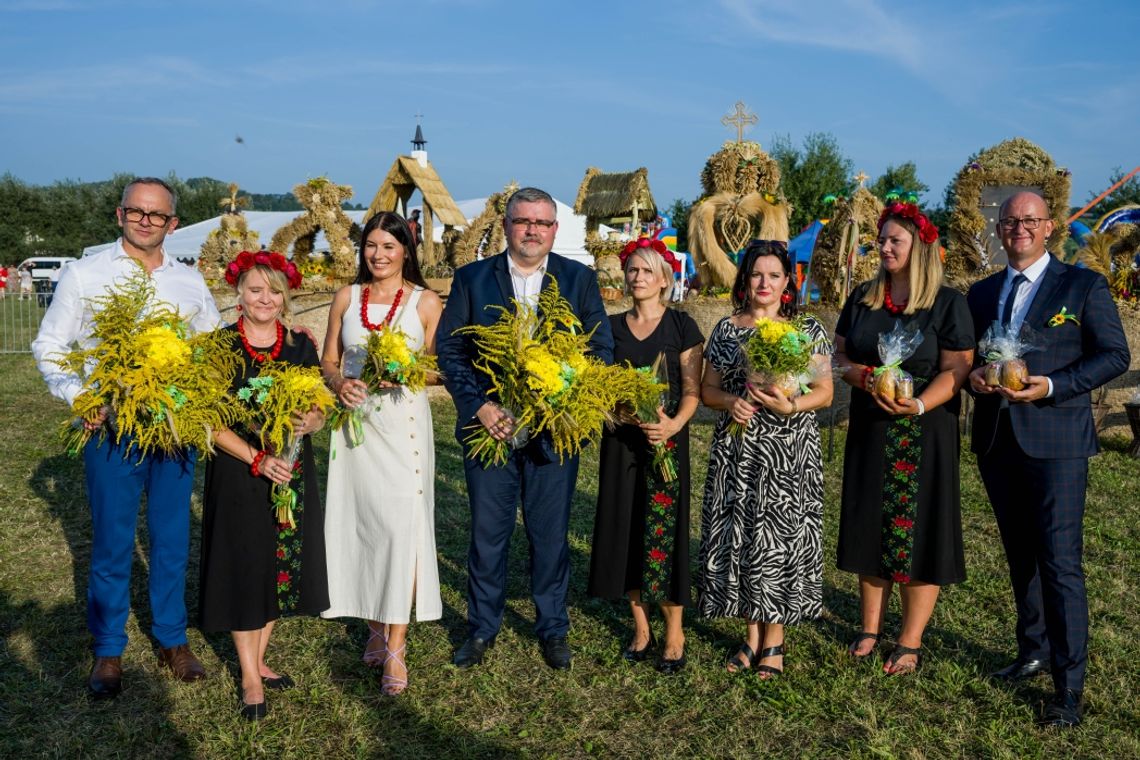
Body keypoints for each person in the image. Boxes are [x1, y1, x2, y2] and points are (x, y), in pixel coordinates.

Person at [31, 177, 221, 698]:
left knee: (170, 539)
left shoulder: (188, 282)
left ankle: (171, 639)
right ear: (120, 215)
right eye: (136, 211)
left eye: (156, 215)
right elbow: (49, 342)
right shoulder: (85, 274)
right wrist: (80, 396)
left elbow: (209, 349)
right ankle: (109, 648)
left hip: (175, 433)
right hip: (112, 433)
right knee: (113, 544)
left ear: (172, 224)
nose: (145, 220)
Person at [966, 191, 1129, 727]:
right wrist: (973, 377)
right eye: (1011, 221)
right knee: (1021, 555)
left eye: (1030, 221)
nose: (1020, 229)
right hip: (998, 439)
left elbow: (1114, 355)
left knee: (1060, 562)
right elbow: (972, 357)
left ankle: (1068, 687)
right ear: (999, 229)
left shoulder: (1082, 286)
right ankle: (1032, 649)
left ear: (1050, 226)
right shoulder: (983, 291)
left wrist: (1054, 385)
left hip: (1056, 441)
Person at [437, 186, 614, 670]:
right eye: (523, 221)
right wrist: (480, 407)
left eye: (541, 223)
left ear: (555, 229)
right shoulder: (473, 279)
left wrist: (563, 401)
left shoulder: (578, 280)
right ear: (506, 226)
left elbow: (601, 350)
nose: (532, 230)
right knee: (488, 535)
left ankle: (553, 628)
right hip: (489, 430)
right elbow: (450, 352)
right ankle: (481, 628)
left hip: (553, 434)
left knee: (549, 534)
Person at [833, 202, 974, 675]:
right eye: (882, 239)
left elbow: (957, 368)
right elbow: (838, 357)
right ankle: (870, 627)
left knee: (920, 530)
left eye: (896, 240)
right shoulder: (864, 298)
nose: (885, 247)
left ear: (920, 247)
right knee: (871, 522)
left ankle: (909, 639)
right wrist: (864, 378)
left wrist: (916, 404)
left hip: (925, 429)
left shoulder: (949, 303)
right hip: (871, 427)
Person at [198, 252, 328, 720]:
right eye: (256, 290)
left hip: (291, 470)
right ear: (239, 293)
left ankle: (259, 657)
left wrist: (312, 419)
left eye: (274, 291)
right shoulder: (218, 347)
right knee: (243, 564)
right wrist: (257, 458)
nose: (266, 299)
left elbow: (318, 405)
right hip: (239, 470)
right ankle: (250, 676)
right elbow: (207, 421)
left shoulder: (299, 344)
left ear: (286, 295)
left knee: (278, 562)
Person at [321, 211, 444, 696]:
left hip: (403, 428)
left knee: (402, 528)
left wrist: (408, 369)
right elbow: (329, 358)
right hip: (355, 430)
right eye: (371, 246)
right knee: (366, 525)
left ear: (406, 251)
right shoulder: (346, 298)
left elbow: (441, 370)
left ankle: (397, 643)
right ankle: (374, 624)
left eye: (388, 246)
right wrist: (339, 382)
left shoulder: (426, 302)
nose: (378, 255)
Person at [698, 239, 833, 679]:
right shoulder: (726, 329)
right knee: (742, 538)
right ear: (745, 278)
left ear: (786, 283)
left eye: (774, 275)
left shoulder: (807, 330)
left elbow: (824, 392)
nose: (765, 283)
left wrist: (791, 405)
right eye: (757, 274)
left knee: (777, 540)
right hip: (738, 449)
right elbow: (707, 391)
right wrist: (730, 402)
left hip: (787, 452)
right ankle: (750, 635)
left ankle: (774, 641)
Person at [587, 238, 704, 673]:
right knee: (625, 530)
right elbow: (597, 390)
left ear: (664, 279)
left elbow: (692, 391)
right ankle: (641, 625)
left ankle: (674, 629)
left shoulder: (682, 327)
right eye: (633, 270)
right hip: (621, 443)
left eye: (647, 271)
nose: (638, 278)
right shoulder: (609, 328)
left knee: (664, 534)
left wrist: (673, 424)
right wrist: (618, 411)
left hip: (665, 442)